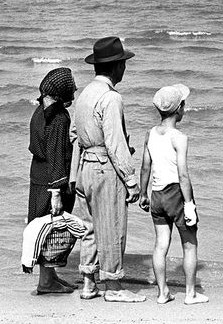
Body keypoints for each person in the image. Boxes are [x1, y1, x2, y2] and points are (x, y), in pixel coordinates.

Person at [74, 36, 145, 303]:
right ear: (116, 67)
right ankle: (113, 286)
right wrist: (131, 179)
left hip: (85, 167)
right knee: (113, 226)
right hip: (105, 167)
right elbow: (115, 143)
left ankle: (89, 282)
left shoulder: (85, 95)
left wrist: (74, 176)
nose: (124, 68)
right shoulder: (111, 98)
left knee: (89, 227)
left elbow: (74, 135)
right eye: (123, 64)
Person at [139, 84, 209, 305]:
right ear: (179, 109)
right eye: (183, 105)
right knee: (189, 243)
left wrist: (143, 193)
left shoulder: (150, 134)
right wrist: (189, 204)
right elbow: (183, 174)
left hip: (157, 194)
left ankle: (162, 293)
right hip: (176, 193)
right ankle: (190, 294)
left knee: (161, 244)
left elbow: (145, 167)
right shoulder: (179, 137)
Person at [26, 67, 78, 294]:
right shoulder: (58, 118)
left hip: (38, 175)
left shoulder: (39, 111)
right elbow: (57, 153)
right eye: (70, 89)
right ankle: (46, 282)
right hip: (50, 180)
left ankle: (50, 277)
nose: (73, 92)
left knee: (43, 225)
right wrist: (57, 190)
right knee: (51, 228)